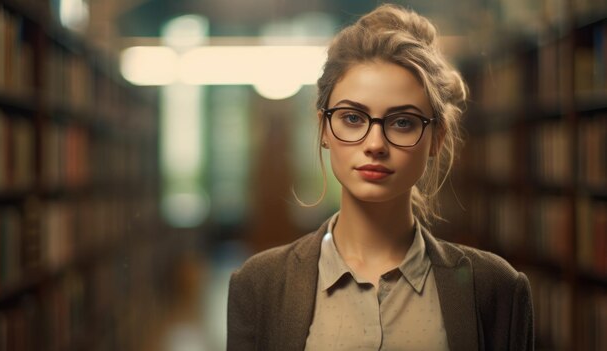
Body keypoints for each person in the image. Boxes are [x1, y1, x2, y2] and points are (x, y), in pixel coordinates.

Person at [227, 4, 534, 351]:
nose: (375, 144)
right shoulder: (259, 284)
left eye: (402, 122)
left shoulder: (495, 289)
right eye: (353, 118)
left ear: (437, 138)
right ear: (324, 128)